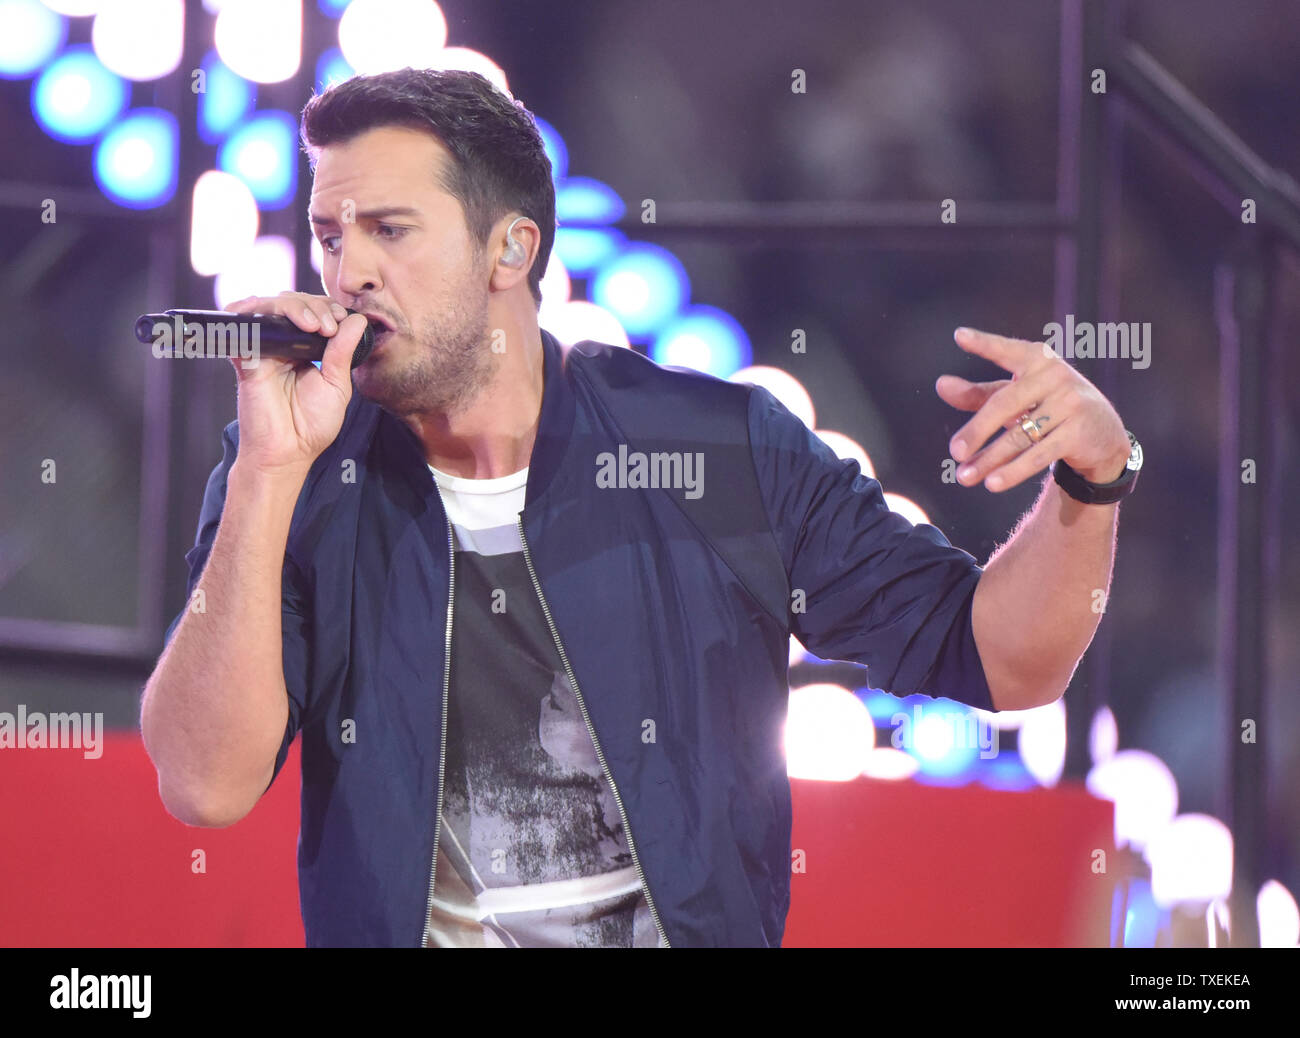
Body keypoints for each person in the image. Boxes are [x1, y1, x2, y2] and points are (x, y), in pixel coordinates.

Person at [139, 69, 1138, 948]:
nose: (347, 269)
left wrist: (1090, 482)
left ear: (511, 250)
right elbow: (203, 784)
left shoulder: (715, 450)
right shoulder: (299, 472)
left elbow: (1004, 660)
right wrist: (268, 470)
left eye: (388, 229)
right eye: (327, 234)